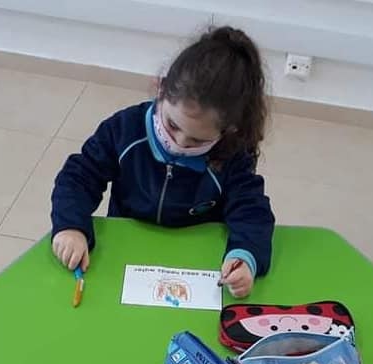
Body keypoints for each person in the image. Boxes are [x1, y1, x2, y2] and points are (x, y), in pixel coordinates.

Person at [50, 25, 274, 299]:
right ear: (162, 90)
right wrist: (71, 226)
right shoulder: (124, 129)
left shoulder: (232, 153)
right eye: (171, 125)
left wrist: (245, 256)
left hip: (199, 263)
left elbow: (251, 210)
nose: (179, 143)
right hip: (126, 252)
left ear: (228, 131)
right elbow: (79, 176)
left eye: (196, 141)